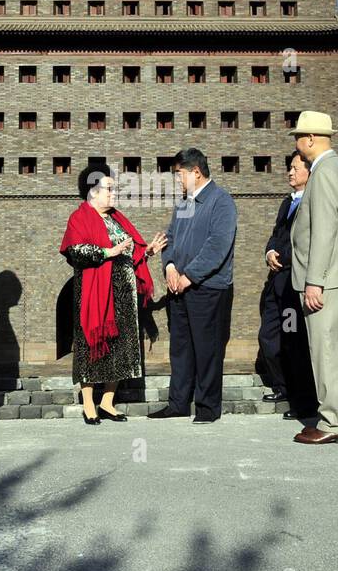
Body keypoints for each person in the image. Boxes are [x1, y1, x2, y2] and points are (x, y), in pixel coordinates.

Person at [59, 171, 167, 425]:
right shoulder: (80, 217)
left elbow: (132, 251)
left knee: (121, 345)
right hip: (94, 293)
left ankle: (107, 401)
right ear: (93, 192)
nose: (114, 193)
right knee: (91, 344)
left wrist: (147, 251)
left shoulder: (117, 219)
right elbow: (75, 250)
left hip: (123, 296)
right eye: (109, 189)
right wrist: (109, 252)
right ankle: (88, 404)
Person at [149, 148, 237, 423]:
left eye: (179, 174)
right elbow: (171, 239)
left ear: (196, 172)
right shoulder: (184, 204)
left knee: (207, 348)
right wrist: (171, 267)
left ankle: (207, 408)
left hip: (207, 289)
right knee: (181, 347)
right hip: (179, 287)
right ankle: (178, 403)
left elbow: (217, 246)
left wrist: (189, 277)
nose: (177, 180)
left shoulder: (221, 202)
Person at [288, 111, 338, 445]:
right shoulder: (332, 169)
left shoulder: (326, 171)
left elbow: (325, 231)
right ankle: (330, 417)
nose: (297, 144)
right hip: (332, 277)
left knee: (326, 350)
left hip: (325, 280)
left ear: (311, 139)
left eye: (298, 137)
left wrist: (314, 280)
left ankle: (333, 423)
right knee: (328, 349)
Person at [259, 150, 318, 420]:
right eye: (289, 168)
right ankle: (283, 386)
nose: (290, 172)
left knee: (293, 339)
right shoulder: (287, 203)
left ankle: (302, 399)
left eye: (295, 167)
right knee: (269, 337)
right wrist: (269, 252)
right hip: (276, 283)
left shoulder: (313, 201)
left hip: (295, 283)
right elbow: (275, 235)